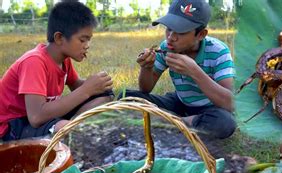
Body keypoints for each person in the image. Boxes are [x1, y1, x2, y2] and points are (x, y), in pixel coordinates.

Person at [0, 1, 113, 142]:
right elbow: (36, 117)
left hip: (41, 119)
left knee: (105, 96)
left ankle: (71, 126)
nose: (87, 46)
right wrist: (87, 90)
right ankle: (67, 129)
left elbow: (76, 85)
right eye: (82, 40)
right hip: (13, 127)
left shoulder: (63, 60)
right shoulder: (34, 62)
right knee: (64, 129)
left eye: (88, 40)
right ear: (59, 38)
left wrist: (98, 85)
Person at [124, 0, 236, 139]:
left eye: (181, 32)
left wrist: (194, 71)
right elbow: (145, 89)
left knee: (224, 123)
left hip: (210, 108)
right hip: (180, 102)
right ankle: (180, 122)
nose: (171, 38)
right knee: (128, 98)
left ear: (201, 34)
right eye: (169, 29)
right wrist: (147, 68)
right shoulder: (166, 48)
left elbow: (230, 103)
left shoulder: (218, 51)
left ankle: (172, 122)